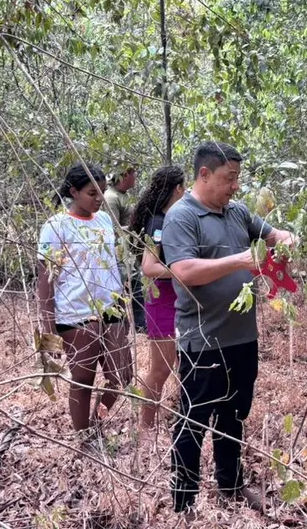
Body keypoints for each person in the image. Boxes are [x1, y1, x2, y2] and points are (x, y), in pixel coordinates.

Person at [162, 142, 297, 515]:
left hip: (242, 338)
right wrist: (240, 259)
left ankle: (231, 484)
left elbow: (272, 235)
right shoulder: (181, 217)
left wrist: (286, 240)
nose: (235, 186)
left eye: (237, 178)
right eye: (228, 178)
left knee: (234, 415)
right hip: (202, 341)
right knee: (194, 420)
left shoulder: (237, 213)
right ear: (204, 174)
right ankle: (183, 501)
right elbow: (184, 270)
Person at [36, 162, 133, 447]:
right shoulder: (56, 227)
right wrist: (48, 335)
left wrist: (124, 309)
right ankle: (84, 440)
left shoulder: (104, 221)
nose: (99, 198)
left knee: (121, 377)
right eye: (92, 193)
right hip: (76, 317)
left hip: (111, 311)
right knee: (82, 382)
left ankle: (95, 425)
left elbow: (113, 266)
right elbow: (45, 283)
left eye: (102, 192)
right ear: (73, 192)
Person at [127, 165, 187, 431]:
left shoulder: (171, 219)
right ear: (177, 189)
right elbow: (149, 266)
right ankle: (146, 427)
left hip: (178, 301)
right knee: (160, 370)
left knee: (183, 365)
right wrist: (184, 273)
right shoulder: (158, 224)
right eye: (184, 187)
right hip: (162, 302)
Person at [105, 166, 148, 333]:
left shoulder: (124, 196)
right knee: (128, 284)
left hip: (131, 247)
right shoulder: (111, 197)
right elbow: (112, 228)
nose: (135, 176)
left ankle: (139, 323)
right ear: (124, 176)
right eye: (133, 173)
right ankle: (127, 324)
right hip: (120, 250)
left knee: (138, 284)